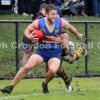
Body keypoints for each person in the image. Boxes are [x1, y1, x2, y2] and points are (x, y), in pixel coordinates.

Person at [0, 4, 82, 94]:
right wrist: (29, 36)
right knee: (27, 67)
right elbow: (27, 30)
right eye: (52, 14)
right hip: (42, 51)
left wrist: (77, 35)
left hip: (55, 52)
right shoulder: (39, 23)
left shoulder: (61, 22)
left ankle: (45, 83)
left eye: (56, 14)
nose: (55, 16)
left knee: (53, 70)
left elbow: (70, 28)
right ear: (46, 14)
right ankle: (10, 86)